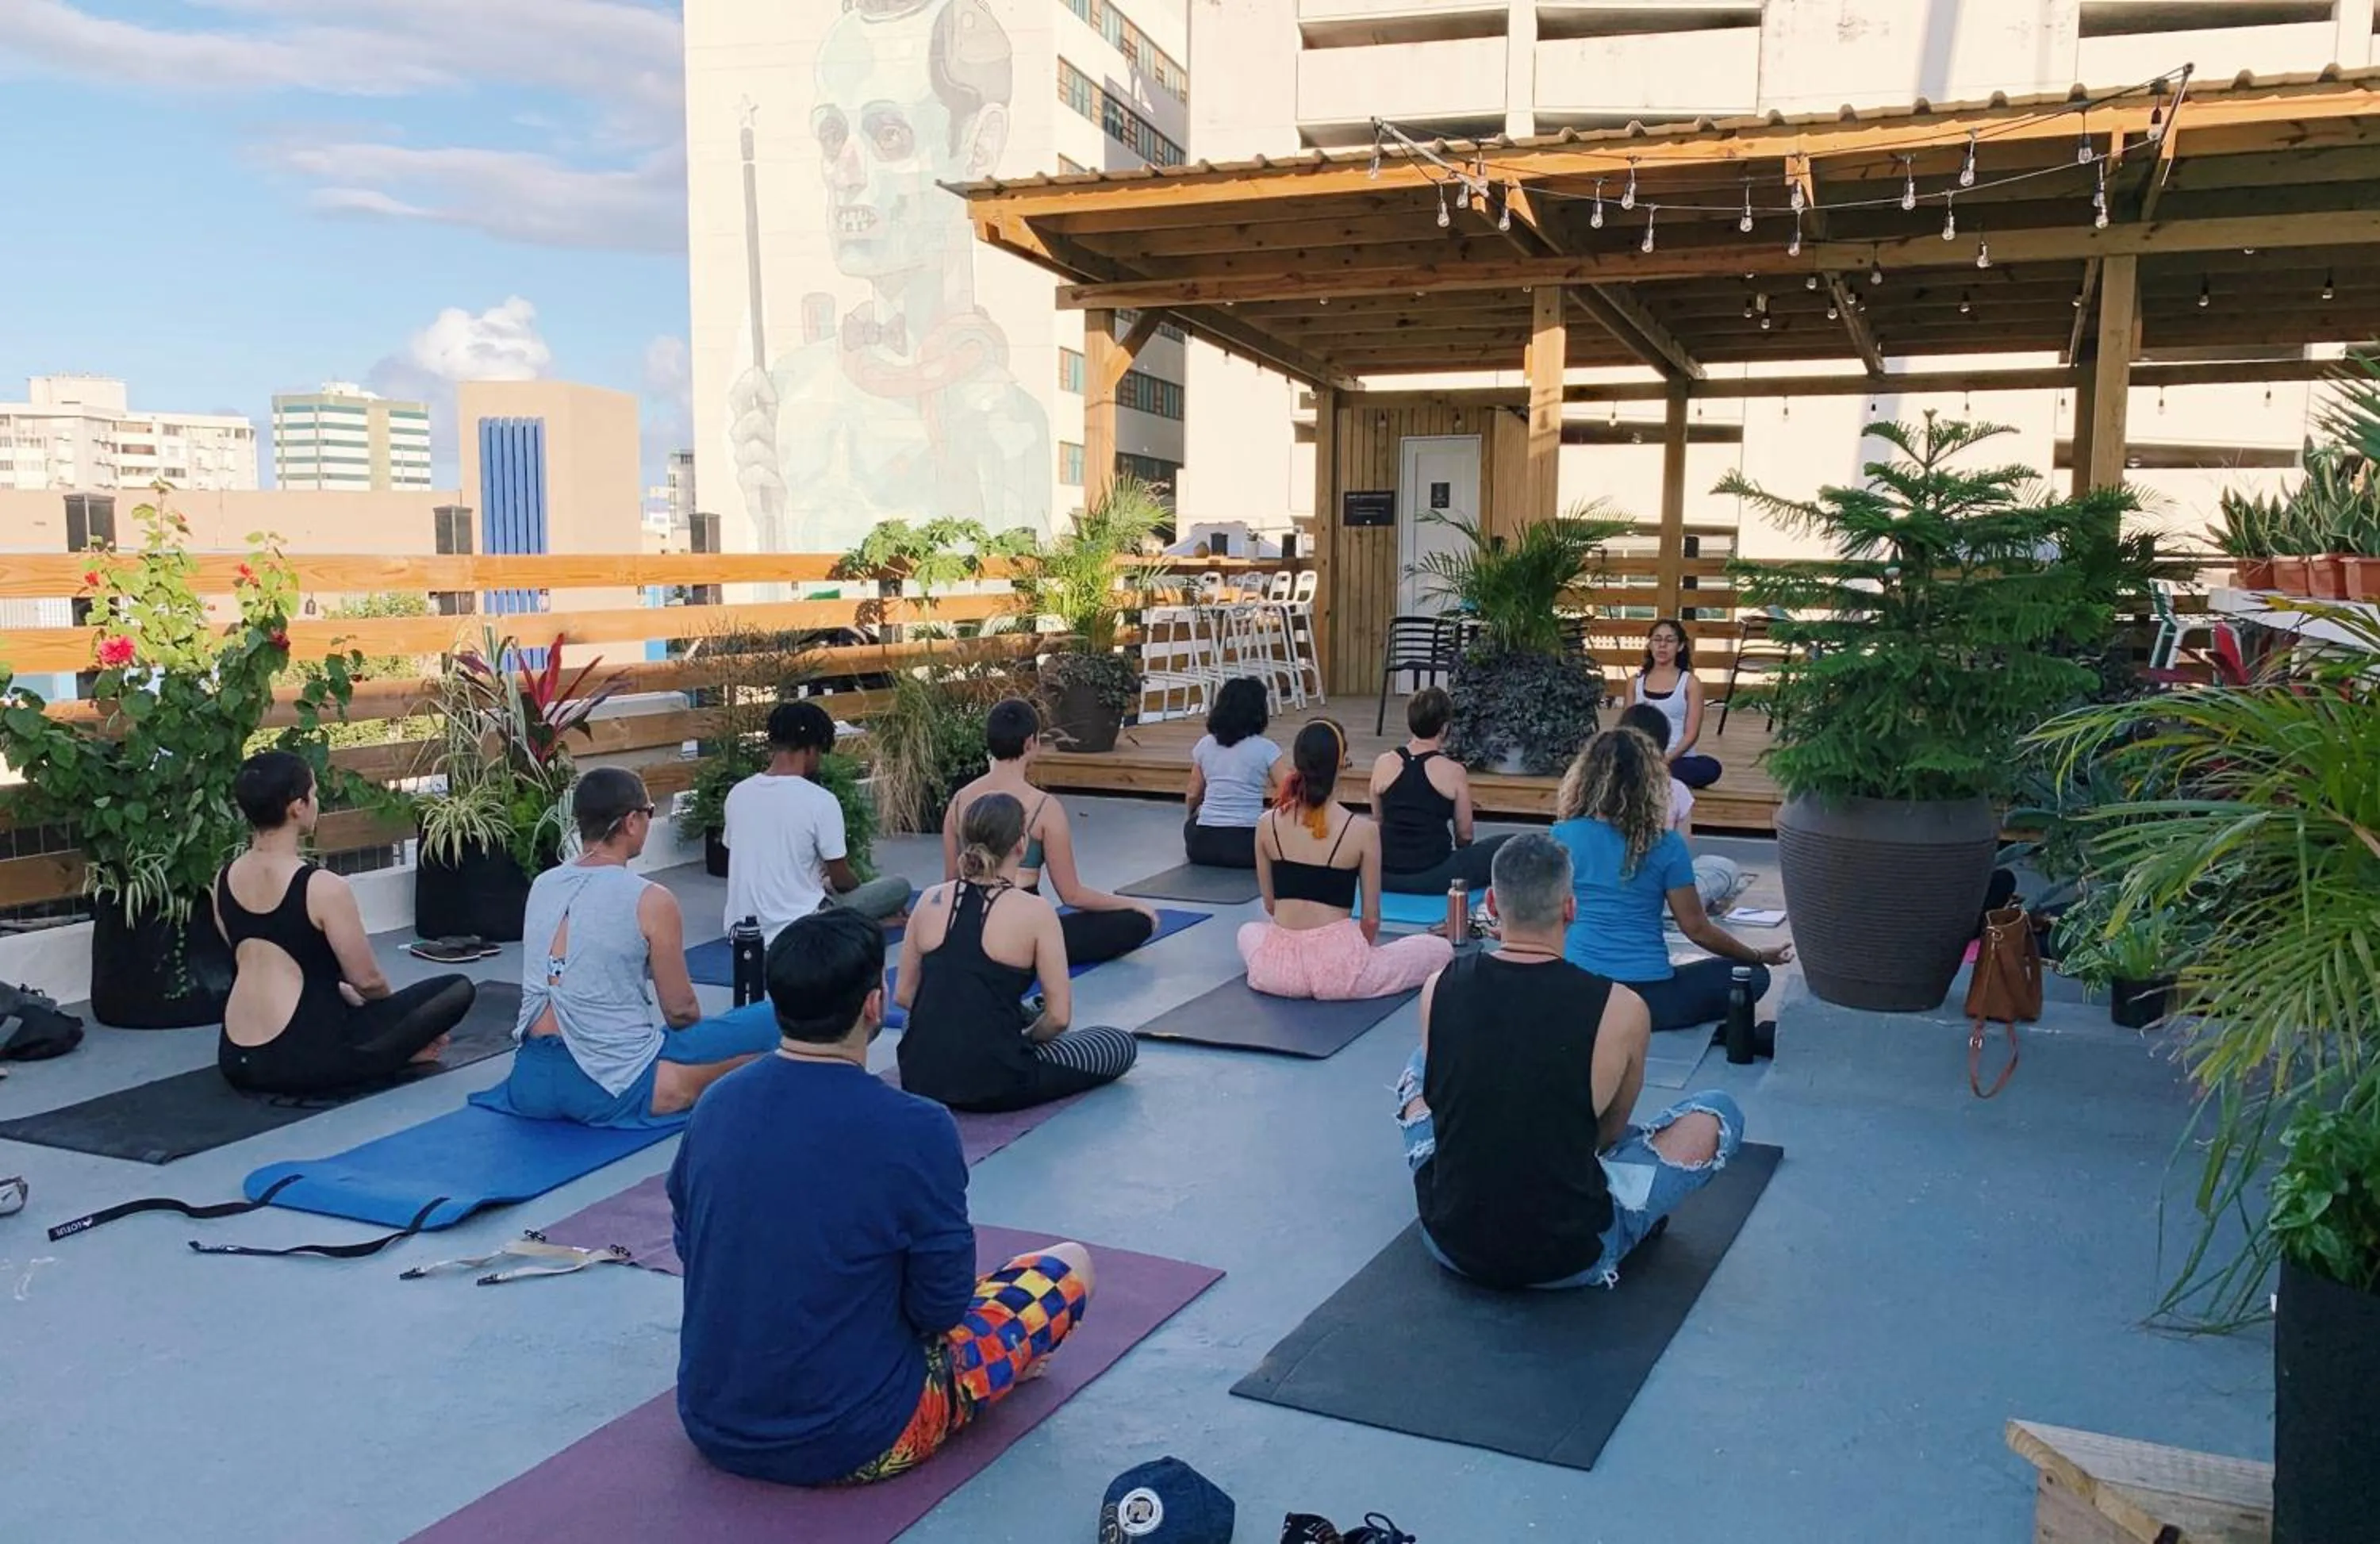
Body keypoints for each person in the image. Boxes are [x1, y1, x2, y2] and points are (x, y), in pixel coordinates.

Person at [670, 908, 1094, 1487]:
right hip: (858, 1437)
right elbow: (942, 1309)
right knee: (1070, 1266)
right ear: (875, 1004)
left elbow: (691, 1245)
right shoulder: (917, 1127)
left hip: (712, 1420)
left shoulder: (718, 1104)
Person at [723, 0, 1050, 554]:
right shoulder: (788, 395)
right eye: (832, 135)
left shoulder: (1004, 422)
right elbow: (768, 609)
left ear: (978, 145)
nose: (845, 174)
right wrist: (764, 519)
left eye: (889, 135)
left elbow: (1016, 618)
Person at [1393, 833, 1746, 1289]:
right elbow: (1608, 1136)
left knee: (1422, 1064)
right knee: (1720, 1111)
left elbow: (1445, 1105)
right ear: (1570, 908)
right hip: (1571, 1258)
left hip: (1450, 1242)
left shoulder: (1438, 985)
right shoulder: (1623, 1008)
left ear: (1493, 905)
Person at [485, 770, 781, 1127]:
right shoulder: (651, 899)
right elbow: (681, 1012)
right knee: (775, 1020)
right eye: (649, 812)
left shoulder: (543, 885)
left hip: (529, 1083)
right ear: (631, 821)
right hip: (611, 1088)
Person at [213, 751, 477, 1095]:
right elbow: (368, 981)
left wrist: (342, 992)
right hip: (303, 1062)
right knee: (457, 988)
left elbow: (262, 962)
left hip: (236, 1058)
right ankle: (399, 1053)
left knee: (345, 993)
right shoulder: (322, 887)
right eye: (315, 793)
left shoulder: (223, 879)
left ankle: (393, 1047)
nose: (316, 801)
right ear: (298, 806)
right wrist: (404, 1027)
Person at [898, 793, 1138, 1113]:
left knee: (937, 1015)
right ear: (1021, 844)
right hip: (997, 1082)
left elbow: (904, 995)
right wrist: (1025, 1039)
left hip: (919, 1076)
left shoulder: (930, 899)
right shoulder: (1036, 911)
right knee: (1117, 1044)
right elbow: (1058, 1018)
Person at [1549, 728, 1790, 1033]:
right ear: (1650, 784)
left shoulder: (1563, 836)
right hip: (1650, 995)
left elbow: (1551, 917)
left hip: (1582, 988)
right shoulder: (1666, 845)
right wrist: (1756, 955)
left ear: (1584, 778)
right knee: (1753, 975)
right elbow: (1697, 930)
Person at [1238, 720, 1455, 1000]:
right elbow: (1371, 920)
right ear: (1341, 764)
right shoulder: (1363, 831)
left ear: (1297, 762)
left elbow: (1270, 905)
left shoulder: (1266, 824)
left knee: (1248, 931)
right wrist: (1351, 955)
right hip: (1341, 974)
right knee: (1439, 949)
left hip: (1277, 972)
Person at [944, 697, 1158, 966]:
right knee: (1136, 922)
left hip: (968, 929)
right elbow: (1071, 895)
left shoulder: (959, 801)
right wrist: (1131, 903)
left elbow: (950, 884)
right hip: (1021, 931)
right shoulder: (1044, 807)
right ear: (1030, 743)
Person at [724, 700, 912, 943]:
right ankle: (861, 923)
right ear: (811, 749)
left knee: (827, 889)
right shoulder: (820, 801)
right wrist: (835, 885)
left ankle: (857, 922)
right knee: (898, 887)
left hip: (741, 930)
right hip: (804, 928)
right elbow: (842, 881)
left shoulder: (738, 793)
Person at [1370, 686, 1511, 894]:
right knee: (1510, 844)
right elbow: (1464, 835)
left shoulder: (1383, 763)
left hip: (1385, 876)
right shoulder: (1453, 771)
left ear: (1411, 723)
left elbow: (1378, 821)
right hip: (1434, 876)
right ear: (1444, 728)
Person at [1618, 701, 1749, 918]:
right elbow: (1682, 851)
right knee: (1723, 867)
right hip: (1663, 895)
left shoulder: (1597, 788)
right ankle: (1675, 906)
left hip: (1607, 892)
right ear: (1663, 744)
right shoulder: (1675, 789)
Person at [1183, 677, 1283, 869]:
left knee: (1191, 826)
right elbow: (1289, 788)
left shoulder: (1205, 744)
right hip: (1248, 846)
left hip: (1203, 846)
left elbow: (1193, 793)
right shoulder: (1266, 749)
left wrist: (1192, 816)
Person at [1633, 618, 1722, 789]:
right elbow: (1627, 726)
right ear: (1650, 645)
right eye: (1657, 640)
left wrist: (1666, 760)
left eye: (1670, 640)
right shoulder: (1635, 682)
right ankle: (1649, 772)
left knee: (1711, 767)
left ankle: (1651, 774)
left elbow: (1691, 734)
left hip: (1677, 759)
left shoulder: (1691, 683)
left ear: (1680, 646)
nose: (1662, 645)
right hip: (1642, 756)